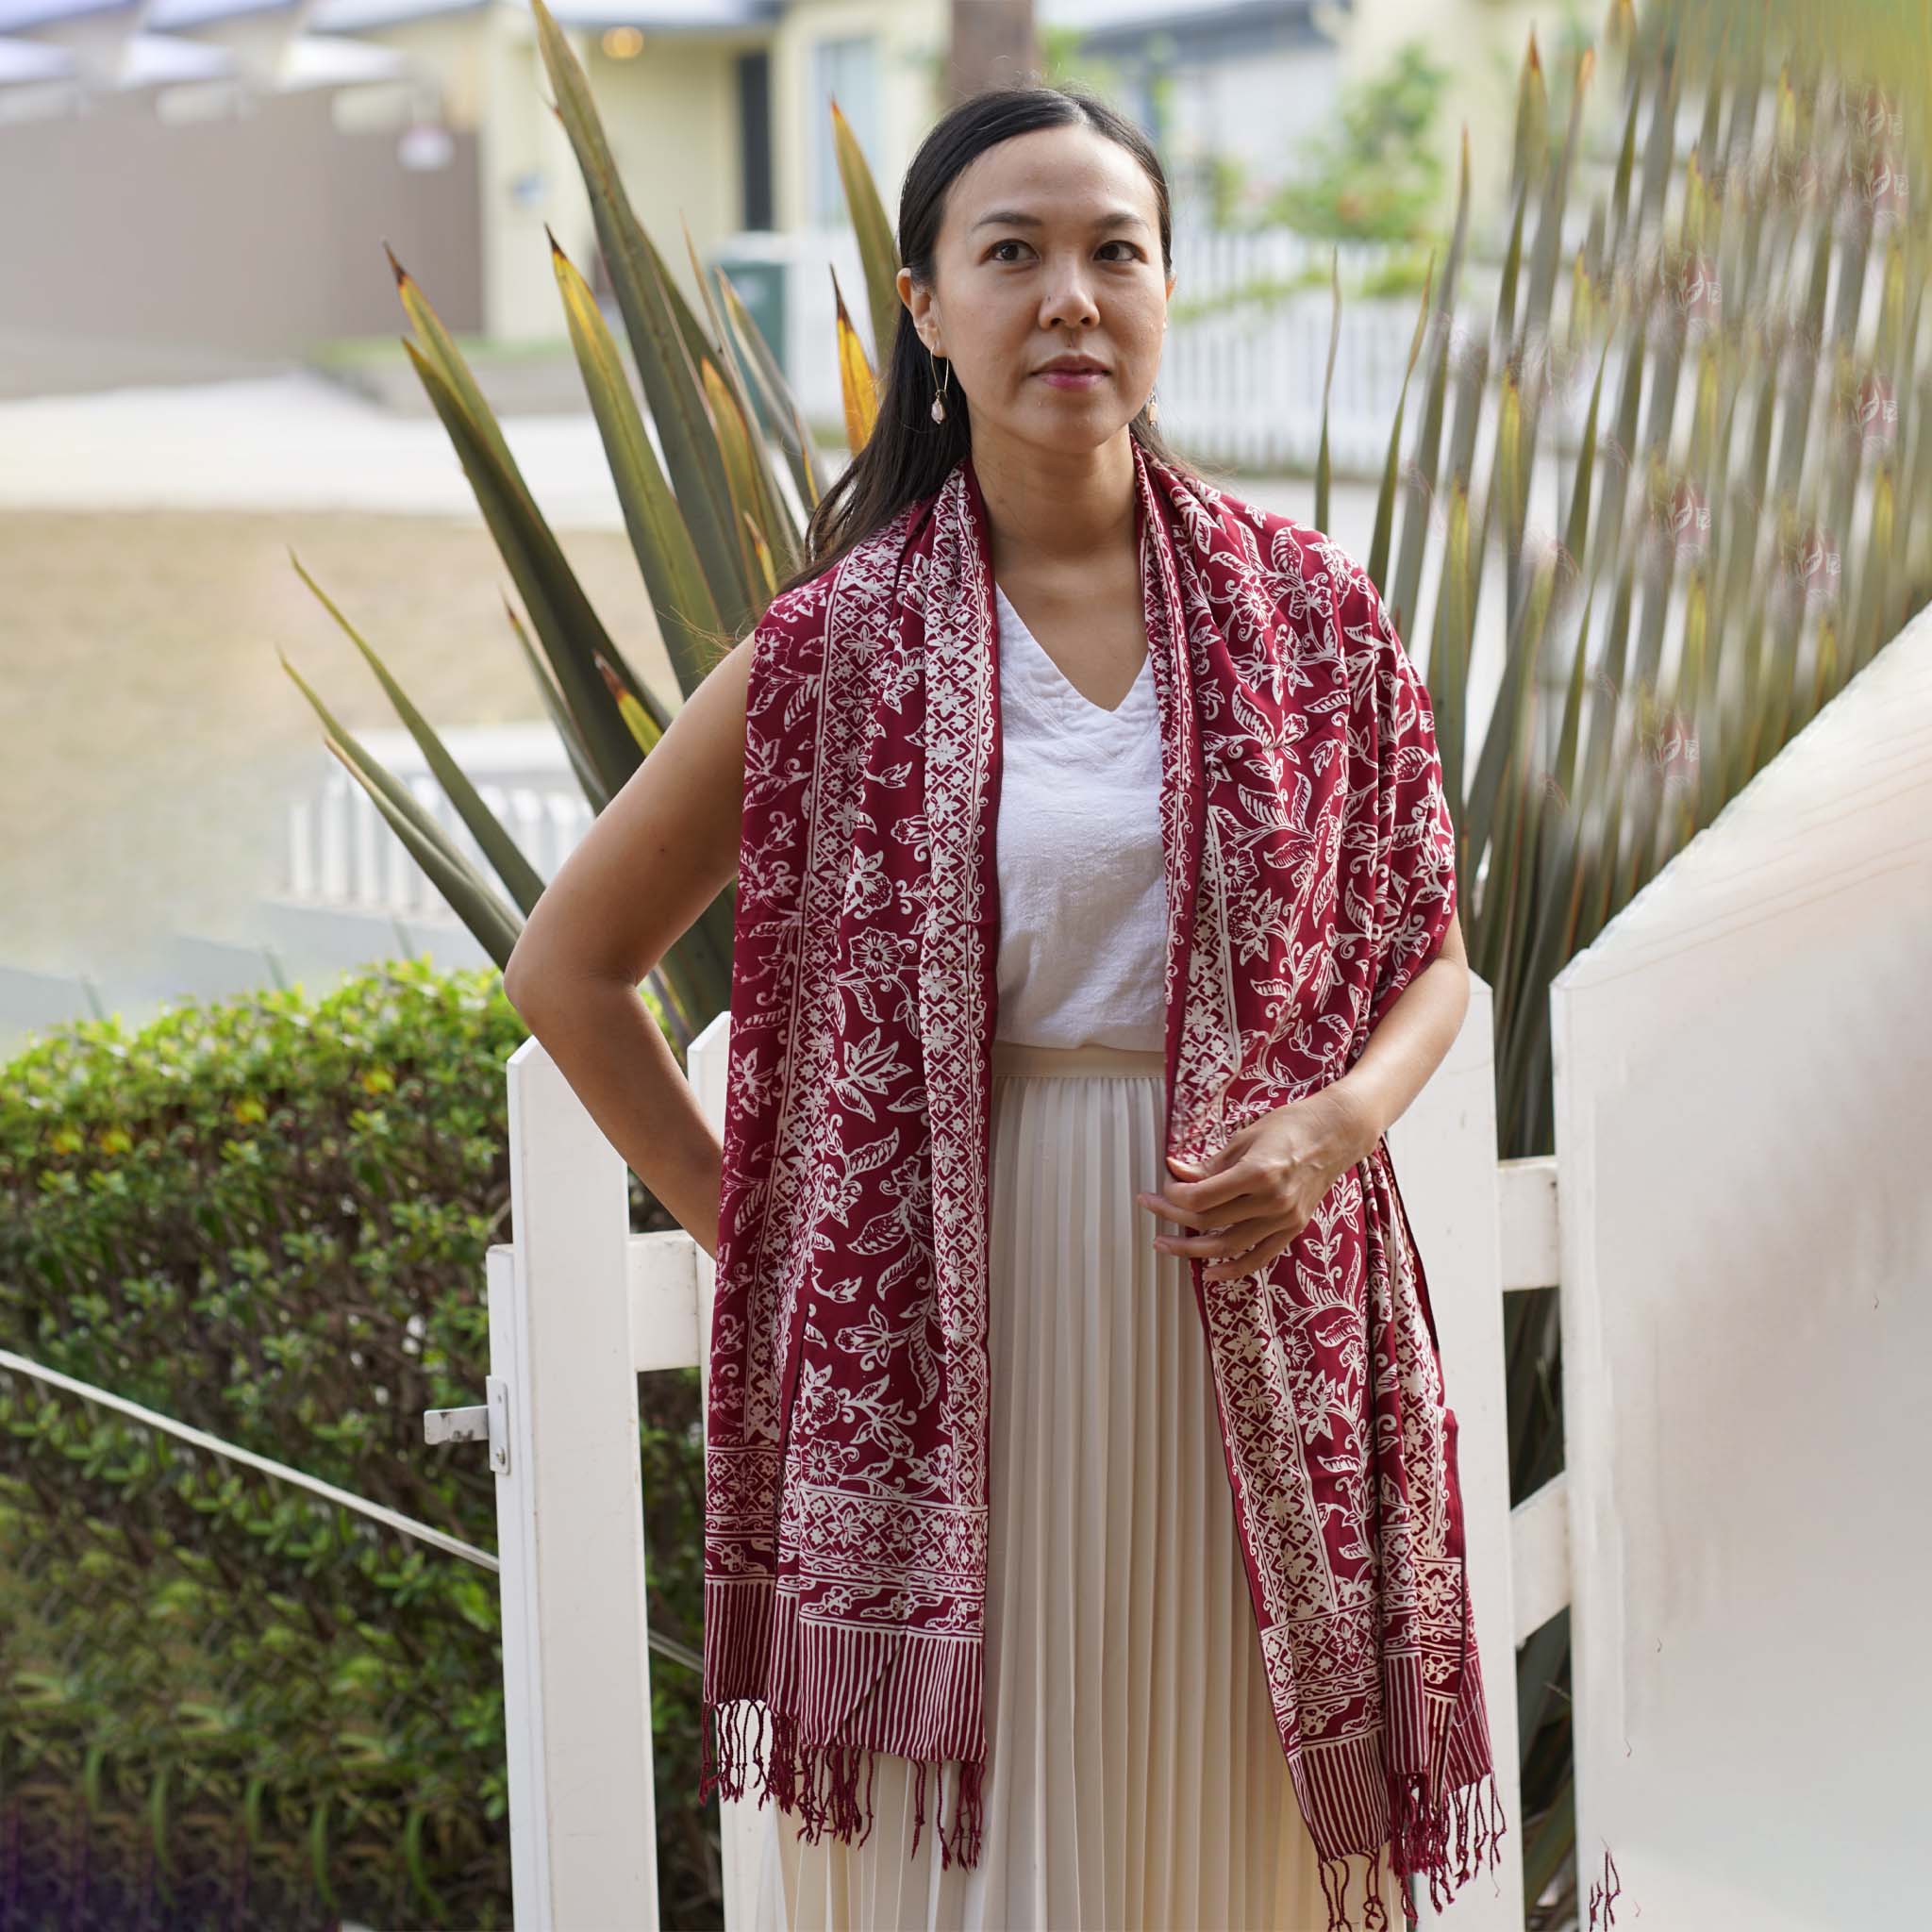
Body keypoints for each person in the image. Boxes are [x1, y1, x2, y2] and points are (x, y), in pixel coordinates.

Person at [506, 81, 1490, 1932]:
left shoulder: (1316, 618)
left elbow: (1432, 959)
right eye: (1010, 254)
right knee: (1003, 1837)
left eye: (1112, 251)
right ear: (924, 308)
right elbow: (570, 966)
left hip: (1257, 1306)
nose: (1067, 299)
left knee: (1227, 1826)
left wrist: (1336, 1124)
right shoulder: (831, 650)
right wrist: (764, 1229)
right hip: (960, 1330)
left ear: (1166, 292)